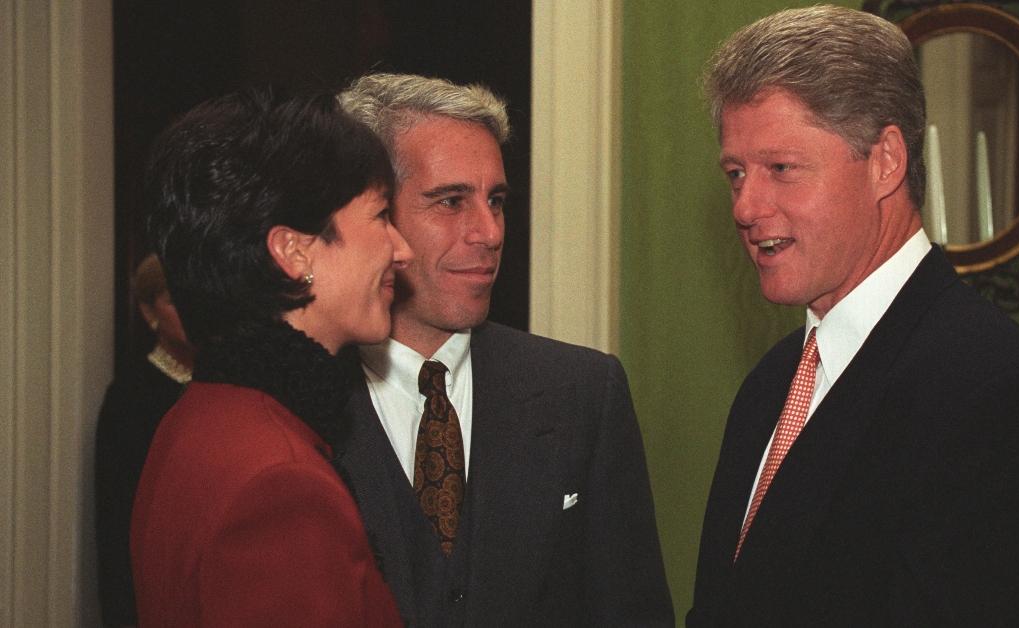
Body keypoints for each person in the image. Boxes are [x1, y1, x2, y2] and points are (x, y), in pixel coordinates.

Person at [688, 6, 1019, 626]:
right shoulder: (769, 385)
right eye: (736, 173)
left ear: (886, 161)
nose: (746, 205)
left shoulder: (992, 388)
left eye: (781, 169)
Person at [336, 73, 673, 626]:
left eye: (496, 201)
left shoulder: (582, 393)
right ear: (374, 213)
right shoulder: (299, 402)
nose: (489, 232)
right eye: (450, 202)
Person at [130, 88, 411, 626]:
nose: (402, 249)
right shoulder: (281, 484)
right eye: (380, 216)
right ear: (294, 252)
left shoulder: (201, 416)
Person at [95, 254, 193, 627]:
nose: (188, 310)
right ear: (148, 311)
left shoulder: (220, 384)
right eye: (173, 300)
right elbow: (117, 518)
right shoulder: (130, 398)